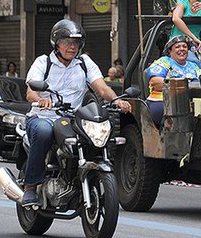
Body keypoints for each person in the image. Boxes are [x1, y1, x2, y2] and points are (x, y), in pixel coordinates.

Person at [21, 19, 131, 207]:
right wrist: (40, 100)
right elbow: (30, 91)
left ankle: (76, 179)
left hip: (71, 119)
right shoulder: (43, 62)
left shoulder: (84, 63)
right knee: (43, 132)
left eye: (76, 43)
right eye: (67, 42)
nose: (72, 47)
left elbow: (102, 89)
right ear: (57, 43)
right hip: (44, 116)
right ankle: (30, 187)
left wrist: (117, 100)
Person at [146, 35, 201, 125]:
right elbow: (155, 82)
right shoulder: (163, 62)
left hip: (190, 102)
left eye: (184, 46)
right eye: (177, 47)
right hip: (162, 100)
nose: (182, 49)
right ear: (170, 50)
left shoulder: (194, 66)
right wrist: (183, 86)